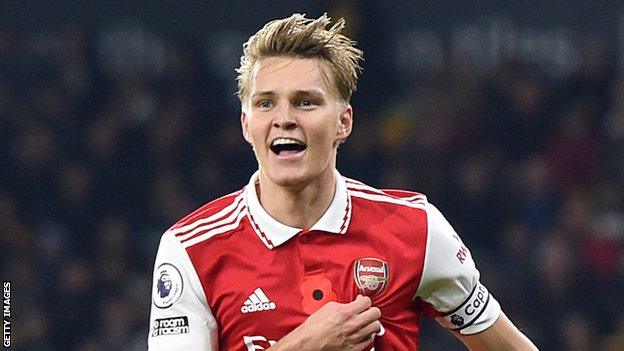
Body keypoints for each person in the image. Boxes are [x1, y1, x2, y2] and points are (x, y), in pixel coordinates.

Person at [148, 13, 538, 350]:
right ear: (247, 125)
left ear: (343, 122)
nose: (284, 118)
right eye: (266, 103)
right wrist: (303, 346)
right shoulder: (192, 251)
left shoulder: (416, 229)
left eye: (306, 102)